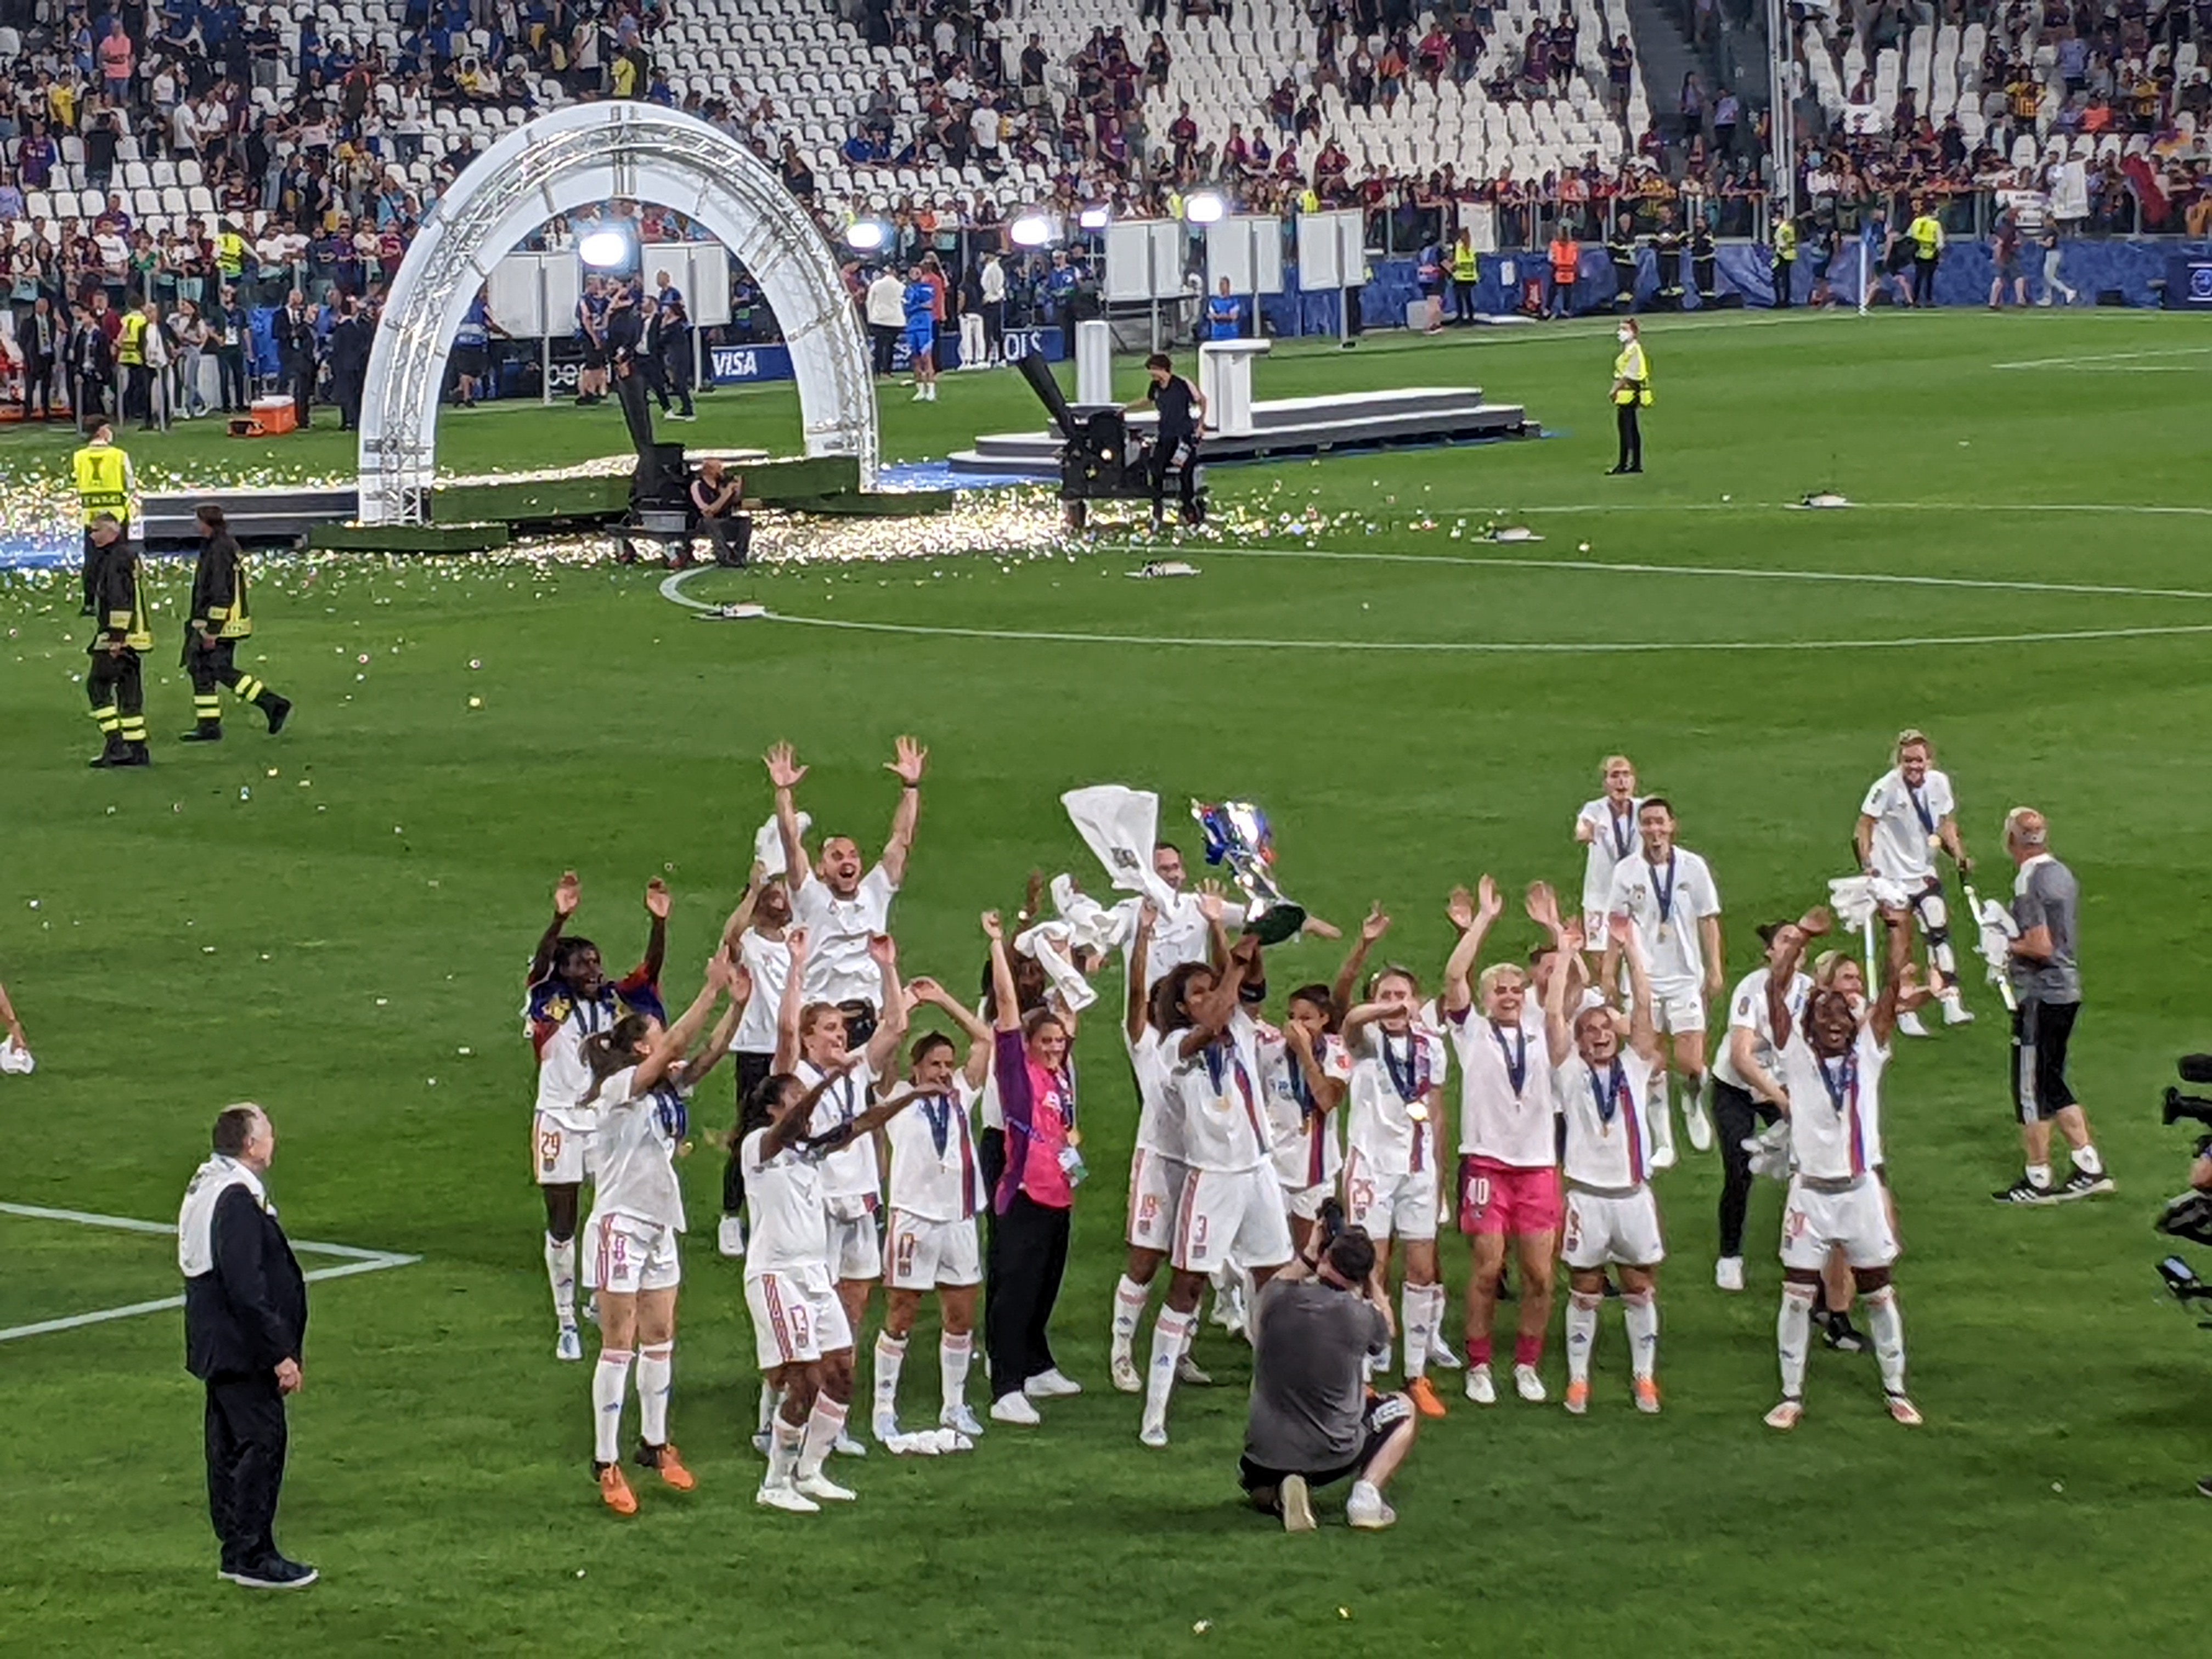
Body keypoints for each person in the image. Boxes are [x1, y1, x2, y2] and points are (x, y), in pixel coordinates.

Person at [577, 956, 747, 1515]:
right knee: (618, 1343)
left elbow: (711, 1053)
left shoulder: (665, 1093)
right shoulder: (619, 1088)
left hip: (658, 1227)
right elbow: (679, 1044)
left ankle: (654, 1444)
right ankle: (605, 1462)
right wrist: (709, 989)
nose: (666, 1040)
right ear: (641, 1049)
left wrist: (739, 1002)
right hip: (619, 1224)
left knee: (661, 1338)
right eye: (657, 1034)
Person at [743, 1055, 927, 1511]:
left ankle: (811, 1471)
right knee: (804, 1381)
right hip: (777, 1277)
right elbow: (793, 1125)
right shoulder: (759, 1148)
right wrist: (830, 1082)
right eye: (795, 1101)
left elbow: (863, 1122)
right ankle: (775, 1484)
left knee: (841, 1373)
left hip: (815, 1276)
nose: (806, 1111)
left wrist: (915, 1095)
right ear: (773, 1109)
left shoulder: (811, 1152)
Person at [1762, 907, 1921, 1430]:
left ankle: (1896, 1389)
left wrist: (1899, 928)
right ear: (1809, 1026)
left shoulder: (1869, 1053)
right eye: (1824, 1018)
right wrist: (1802, 935)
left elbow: (1894, 987)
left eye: (1841, 1018)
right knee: (1796, 1294)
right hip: (1809, 1194)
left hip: (1858, 1192)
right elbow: (1775, 987)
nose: (1834, 1025)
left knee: (1878, 1291)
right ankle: (1790, 1395)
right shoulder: (1795, 1056)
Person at [1138, 933, 1293, 1448]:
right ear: (1181, 1006)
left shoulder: (1241, 1028)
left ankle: (1275, 1393)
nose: (1211, 997)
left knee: (1274, 1284)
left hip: (1259, 1172)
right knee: (1187, 1287)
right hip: (1211, 1178)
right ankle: (1155, 1410)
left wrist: (1255, 940)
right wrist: (1234, 964)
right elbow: (1215, 1018)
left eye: (1213, 988)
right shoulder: (1170, 1049)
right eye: (1198, 992)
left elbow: (1251, 987)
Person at [774, 924, 909, 1451]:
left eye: (841, 1029)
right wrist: (797, 966)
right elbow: (785, 1029)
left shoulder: (855, 1073)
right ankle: (776, 1416)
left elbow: (896, 1025)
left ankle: (831, 1423)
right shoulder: (797, 1081)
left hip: (860, 1211)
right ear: (810, 1039)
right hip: (818, 1214)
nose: (838, 1035)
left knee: (850, 1317)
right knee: (807, 1320)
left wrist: (887, 967)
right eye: (827, 1028)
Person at [524, 872, 669, 1359]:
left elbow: (648, 975)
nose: (592, 969)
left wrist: (659, 924)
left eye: (595, 962)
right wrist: (559, 918)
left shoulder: (612, 1000)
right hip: (558, 1122)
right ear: (562, 969)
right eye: (582, 962)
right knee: (562, 1218)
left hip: (602, 1122)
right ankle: (565, 1318)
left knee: (607, 1210)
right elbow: (541, 962)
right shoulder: (546, 1001)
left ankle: (593, 1296)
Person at [179, 1103, 314, 1589]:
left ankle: (238, 1551)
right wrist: (280, 1351)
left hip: (219, 1343)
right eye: (269, 1133)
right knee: (260, 1443)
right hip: (241, 1348)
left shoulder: (208, 1184)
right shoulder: (236, 1198)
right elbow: (246, 1284)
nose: (274, 1140)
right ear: (251, 1145)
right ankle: (253, 1555)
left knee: (230, 1446)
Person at [1542, 909, 1667, 1414]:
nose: (1598, 1034)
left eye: (1604, 1028)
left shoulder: (1635, 1066)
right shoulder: (1568, 1073)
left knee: (1639, 1288)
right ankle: (1578, 1380)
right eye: (1588, 1029)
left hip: (1633, 1197)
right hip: (1587, 1199)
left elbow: (1643, 1008)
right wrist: (1568, 952)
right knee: (1586, 1290)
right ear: (1579, 1038)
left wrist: (1632, 949)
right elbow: (1553, 1018)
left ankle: (1644, 1378)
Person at [1444, 878, 1562, 1406]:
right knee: (1489, 1267)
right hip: (1487, 1163)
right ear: (1486, 998)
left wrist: (1556, 931)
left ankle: (1528, 1364)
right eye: (1500, 991)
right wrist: (1483, 923)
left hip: (1537, 1164)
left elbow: (1560, 994)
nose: (1510, 996)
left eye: (1517, 990)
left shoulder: (1542, 1028)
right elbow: (1453, 975)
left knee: (1540, 1274)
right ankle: (1479, 1364)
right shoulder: (1470, 1031)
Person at [871, 985, 995, 1446]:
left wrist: (944, 999)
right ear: (917, 1067)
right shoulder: (898, 1096)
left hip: (959, 1219)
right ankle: (884, 1407)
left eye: (947, 1064)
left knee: (960, 1317)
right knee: (901, 1314)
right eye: (935, 1064)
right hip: (913, 1220)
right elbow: (886, 1045)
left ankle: (954, 1405)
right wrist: (904, 1008)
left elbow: (985, 1041)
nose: (944, 1071)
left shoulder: (962, 1094)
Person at [1339, 940, 1454, 1412]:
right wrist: (1374, 999)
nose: (1394, 1003)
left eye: (1402, 994)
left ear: (1415, 998)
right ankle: (1363, 1374)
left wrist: (1440, 1173)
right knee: (1372, 1267)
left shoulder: (1432, 1047)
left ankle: (1415, 1374)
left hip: (1418, 1169)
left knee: (1423, 1271)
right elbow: (1346, 1019)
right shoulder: (1367, 1045)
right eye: (1384, 995)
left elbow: (1438, 1112)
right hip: (1372, 1168)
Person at [1239, 1226, 1415, 1532]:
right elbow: (1388, 1331)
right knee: (1404, 1407)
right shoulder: (1361, 1317)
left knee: (1257, 1482)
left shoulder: (1275, 1298)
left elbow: (1286, 1276)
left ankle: (1280, 1496)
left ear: (1326, 1257)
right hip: (1330, 1454)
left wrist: (1310, 1254)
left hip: (1263, 1454)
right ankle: (1366, 1498)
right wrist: (1373, 1282)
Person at [983, 909, 1086, 1424]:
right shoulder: (1016, 1072)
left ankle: (1036, 1363)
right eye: (1044, 1041)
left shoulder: (1060, 1074)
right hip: (1021, 1191)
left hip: (1059, 1192)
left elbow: (1070, 1007)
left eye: (1058, 1042)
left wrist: (1066, 957)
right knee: (1016, 1284)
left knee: (1047, 1281)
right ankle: (1005, 1385)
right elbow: (1005, 1004)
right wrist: (999, 944)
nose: (1052, 1047)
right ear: (1025, 1044)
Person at [766, 735, 927, 1035]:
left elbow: (901, 841)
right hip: (821, 1022)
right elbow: (791, 842)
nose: (847, 862)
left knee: (877, 1081)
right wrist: (784, 792)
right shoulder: (809, 896)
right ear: (821, 867)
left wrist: (911, 788)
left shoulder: (874, 892)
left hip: (870, 1019)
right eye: (837, 857)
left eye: (853, 855)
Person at [1993, 808, 2111, 1204]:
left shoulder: (2028, 878)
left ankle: (2038, 1178)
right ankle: (2089, 1165)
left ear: (2012, 840)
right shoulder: (2062, 872)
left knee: (2030, 1088)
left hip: (2040, 995)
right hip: (2067, 990)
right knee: (2052, 1079)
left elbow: (2040, 946)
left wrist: (2004, 944)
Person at [1600, 795, 1720, 1160]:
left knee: (1691, 1061)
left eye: (1659, 822)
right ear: (1640, 828)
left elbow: (1708, 918)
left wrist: (1714, 967)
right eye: (1647, 822)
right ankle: (1663, 1140)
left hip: (1684, 976)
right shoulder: (1627, 871)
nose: (1654, 829)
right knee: (1650, 1060)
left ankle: (1692, 1100)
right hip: (1642, 979)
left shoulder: (1693, 867)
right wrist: (1608, 971)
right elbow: (1617, 925)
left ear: (1672, 825)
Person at [1710, 922, 1811, 1292]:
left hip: (1783, 1086)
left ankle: (1803, 1243)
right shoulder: (1752, 988)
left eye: (1798, 941)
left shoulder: (1809, 992)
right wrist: (1779, 1099)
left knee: (1807, 1165)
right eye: (1785, 939)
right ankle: (1730, 1255)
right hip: (1736, 1087)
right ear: (1770, 952)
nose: (1793, 946)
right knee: (1739, 1168)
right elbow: (1740, 1057)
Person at [1855, 729, 1974, 1035]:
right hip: (1892, 878)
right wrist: (1868, 866)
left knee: (1939, 931)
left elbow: (1946, 824)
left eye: (1919, 761)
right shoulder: (1886, 788)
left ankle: (1950, 999)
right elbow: (1864, 827)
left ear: (1929, 760)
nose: (1914, 767)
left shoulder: (1939, 783)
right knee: (1901, 944)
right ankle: (1903, 1009)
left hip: (1922, 872)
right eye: (1908, 761)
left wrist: (1959, 854)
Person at [716, 871, 789, 1257]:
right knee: (750, 1129)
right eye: (771, 894)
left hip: (794, 1046)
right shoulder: (749, 941)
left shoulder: (798, 937)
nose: (780, 898)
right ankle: (731, 1215)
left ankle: (774, 1212)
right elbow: (730, 936)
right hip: (757, 1048)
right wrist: (755, 889)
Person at [178, 506, 291, 742]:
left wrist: (212, 631)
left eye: (197, 521)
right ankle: (208, 725)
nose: (195, 525)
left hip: (220, 623)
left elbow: (220, 592)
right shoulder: (222, 545)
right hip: (221, 621)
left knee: (220, 670)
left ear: (206, 523)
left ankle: (271, 703)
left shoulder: (219, 549)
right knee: (201, 670)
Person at [84, 514, 152, 768]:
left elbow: (118, 598)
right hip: (135, 637)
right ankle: (137, 749)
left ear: (111, 532)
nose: (92, 536)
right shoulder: (127, 555)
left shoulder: (115, 559)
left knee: (98, 687)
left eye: (96, 531)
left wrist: (116, 637)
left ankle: (115, 745)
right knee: (129, 692)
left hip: (120, 637)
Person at [1125, 353, 1207, 534]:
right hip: (1165, 436)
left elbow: (1201, 400)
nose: (1152, 375)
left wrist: (1201, 425)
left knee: (1186, 472)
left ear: (1163, 369)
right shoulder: (1155, 386)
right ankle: (1158, 511)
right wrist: (1126, 408)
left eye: (1154, 370)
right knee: (1156, 470)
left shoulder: (1182, 384)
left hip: (1183, 436)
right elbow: (1148, 400)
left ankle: (1189, 510)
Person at [1574, 754, 1643, 941]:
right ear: (1605, 783)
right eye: (1615, 776)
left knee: (1639, 955)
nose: (1621, 781)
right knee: (1599, 955)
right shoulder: (1594, 809)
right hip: (1600, 897)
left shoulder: (1643, 809)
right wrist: (1586, 833)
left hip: (1637, 894)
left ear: (1634, 780)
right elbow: (1583, 828)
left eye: (1626, 775)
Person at [71, 421, 136, 617]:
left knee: (92, 561)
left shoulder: (79, 457)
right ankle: (122, 598)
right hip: (116, 515)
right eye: (108, 428)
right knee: (120, 559)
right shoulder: (119, 455)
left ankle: (90, 602)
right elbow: (130, 483)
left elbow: (76, 480)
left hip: (91, 515)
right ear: (101, 431)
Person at [689, 457, 751, 568]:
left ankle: (739, 555)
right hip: (703, 523)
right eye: (719, 469)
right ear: (710, 470)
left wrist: (737, 491)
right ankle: (725, 556)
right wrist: (726, 494)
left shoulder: (722, 485)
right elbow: (708, 512)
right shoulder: (698, 486)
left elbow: (735, 503)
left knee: (745, 522)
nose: (722, 472)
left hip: (724, 520)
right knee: (709, 522)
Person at [1606, 318, 1649, 475]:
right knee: (1631, 429)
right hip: (1629, 393)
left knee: (1626, 429)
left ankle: (1624, 464)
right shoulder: (1630, 349)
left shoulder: (1633, 350)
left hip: (1629, 393)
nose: (1620, 333)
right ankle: (1633, 463)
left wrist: (1614, 390)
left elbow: (1628, 375)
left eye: (1624, 329)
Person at [274, 291, 317, 427]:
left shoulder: (304, 316)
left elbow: (310, 335)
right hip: (288, 356)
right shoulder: (280, 315)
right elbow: (276, 333)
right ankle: (283, 418)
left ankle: (303, 418)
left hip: (304, 357)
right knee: (286, 387)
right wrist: (291, 334)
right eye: (294, 298)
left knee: (303, 389)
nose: (296, 301)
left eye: (299, 299)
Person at [902, 264, 939, 402]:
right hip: (912, 327)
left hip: (924, 326)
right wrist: (917, 306)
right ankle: (920, 391)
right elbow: (906, 308)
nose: (914, 274)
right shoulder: (908, 290)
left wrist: (914, 306)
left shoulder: (927, 288)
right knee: (915, 359)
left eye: (917, 272)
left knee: (927, 358)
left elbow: (928, 305)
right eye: (912, 272)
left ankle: (931, 390)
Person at [21, 295, 60, 419]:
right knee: (30, 386)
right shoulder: (28, 322)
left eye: (44, 305)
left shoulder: (51, 322)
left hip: (47, 356)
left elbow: (53, 338)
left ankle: (46, 411)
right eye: (39, 305)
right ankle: (28, 412)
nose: (41, 307)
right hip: (33, 357)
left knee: (46, 386)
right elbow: (23, 340)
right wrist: (27, 354)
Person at [865, 263, 907, 377]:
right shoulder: (900, 286)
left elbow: (870, 302)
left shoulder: (876, 285)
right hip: (895, 320)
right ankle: (887, 370)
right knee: (890, 346)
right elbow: (904, 302)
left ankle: (877, 370)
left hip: (879, 319)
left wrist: (871, 318)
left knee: (879, 345)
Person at [1987, 206, 2027, 309]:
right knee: (2018, 277)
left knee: (1999, 278)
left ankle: (1993, 301)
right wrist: (1997, 257)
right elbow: (2000, 244)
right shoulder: (2007, 228)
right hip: (2008, 255)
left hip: (2005, 254)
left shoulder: (2004, 227)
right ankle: (2020, 299)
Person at [1905, 200, 1944, 308]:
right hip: (1931, 253)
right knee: (1929, 278)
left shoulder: (1916, 222)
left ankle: (1915, 300)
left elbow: (1909, 236)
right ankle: (1928, 300)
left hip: (1917, 252)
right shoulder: (1935, 224)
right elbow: (1940, 242)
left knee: (1918, 277)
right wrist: (1940, 252)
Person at [1605, 211, 1636, 312]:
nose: (1626, 224)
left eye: (1628, 222)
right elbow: (1611, 252)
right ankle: (1620, 308)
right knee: (1622, 288)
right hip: (1620, 265)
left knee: (1630, 288)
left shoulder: (1632, 236)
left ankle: (1628, 307)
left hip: (1631, 265)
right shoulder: (1615, 237)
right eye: (1624, 222)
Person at [1449, 228, 1479, 324]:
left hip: (1460, 277)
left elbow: (1456, 262)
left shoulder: (1459, 246)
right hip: (1471, 277)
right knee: (1468, 298)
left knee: (1459, 298)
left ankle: (1460, 317)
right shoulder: (1472, 247)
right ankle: (1471, 317)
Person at [1548, 228, 1578, 318]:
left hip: (1561, 270)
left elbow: (1550, 258)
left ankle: (1549, 309)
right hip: (1565, 270)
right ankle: (1564, 310)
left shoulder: (1555, 245)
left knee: (1558, 291)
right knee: (1564, 291)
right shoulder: (1573, 246)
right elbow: (1575, 259)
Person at [1770, 208, 1797, 308]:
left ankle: (1783, 300)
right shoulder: (1785, 227)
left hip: (1785, 255)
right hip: (1782, 254)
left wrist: (1783, 247)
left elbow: (1789, 241)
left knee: (1783, 279)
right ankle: (1782, 300)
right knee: (1781, 278)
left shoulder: (1785, 228)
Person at [1206, 276, 1243, 341]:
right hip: (1217, 334)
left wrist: (1219, 317)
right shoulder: (1214, 302)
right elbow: (1211, 316)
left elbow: (1234, 317)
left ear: (1228, 286)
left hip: (1231, 334)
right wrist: (1226, 317)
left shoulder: (1234, 302)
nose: (1222, 287)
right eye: (1220, 285)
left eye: (1223, 284)